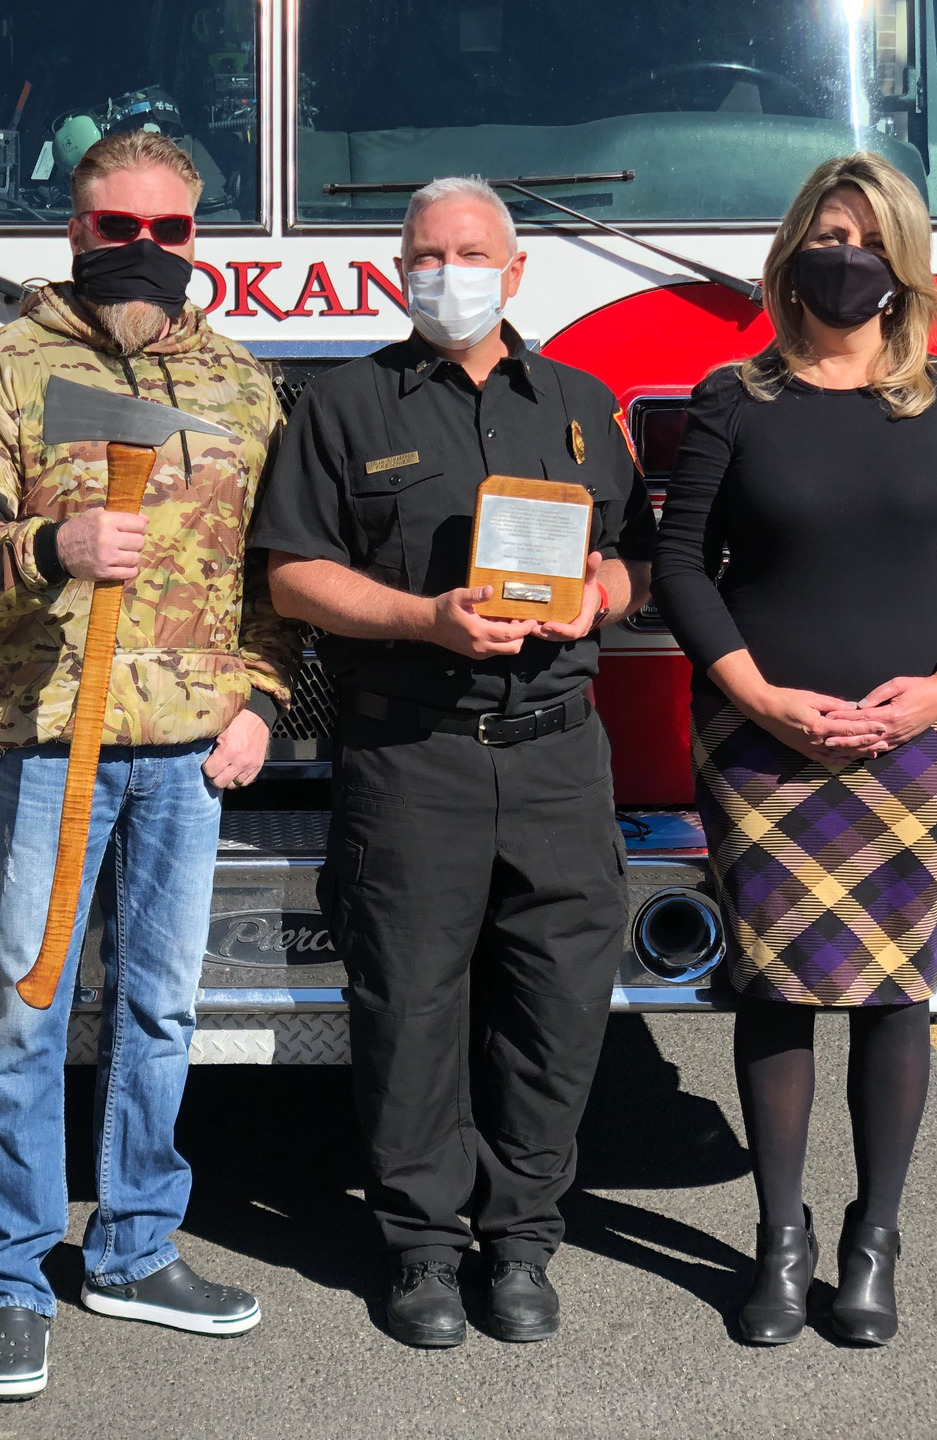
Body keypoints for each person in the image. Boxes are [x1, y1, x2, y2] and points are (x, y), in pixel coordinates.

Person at [0, 128, 298, 1399]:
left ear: (198, 239)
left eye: (167, 231)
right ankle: (12, 1280)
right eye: (114, 229)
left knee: (161, 1011)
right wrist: (49, 544)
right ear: (73, 233)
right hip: (46, 746)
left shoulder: (243, 387)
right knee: (25, 1018)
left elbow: (275, 578)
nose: (141, 252)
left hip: (192, 752)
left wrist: (260, 696)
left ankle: (134, 1249)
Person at [253, 176, 655, 1348]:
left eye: (472, 253)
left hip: (559, 758)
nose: (449, 273)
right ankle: (423, 1249)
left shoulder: (583, 406)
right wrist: (426, 620)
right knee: (409, 1010)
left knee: (558, 1002)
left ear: (517, 272)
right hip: (409, 754)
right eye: (426, 256)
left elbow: (632, 559)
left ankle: (523, 1237)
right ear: (398, 272)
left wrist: (599, 594)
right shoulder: (342, 407)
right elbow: (290, 576)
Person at [651, 152, 937, 1347]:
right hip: (761, 746)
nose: (844, 257)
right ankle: (780, 1240)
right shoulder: (735, 397)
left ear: (900, 262)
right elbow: (678, 569)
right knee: (773, 989)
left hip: (914, 749)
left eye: (866, 239)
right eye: (825, 235)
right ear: (790, 257)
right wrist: (756, 694)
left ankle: (872, 1239)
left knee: (891, 998)